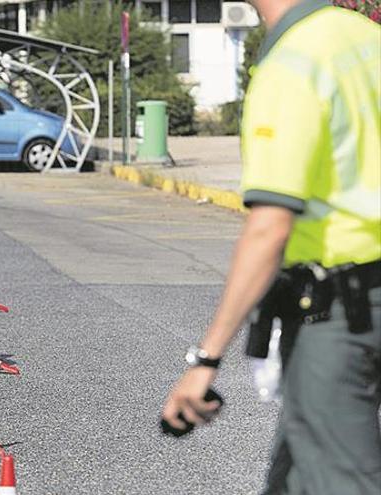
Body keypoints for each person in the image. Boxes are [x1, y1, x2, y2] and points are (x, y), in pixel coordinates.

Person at [161, 1, 380, 493]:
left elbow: (269, 227)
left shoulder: (292, 62)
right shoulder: (365, 37)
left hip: (341, 314)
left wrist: (206, 359)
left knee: (342, 480)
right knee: (295, 476)